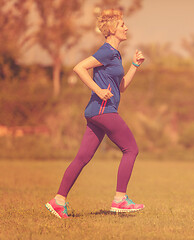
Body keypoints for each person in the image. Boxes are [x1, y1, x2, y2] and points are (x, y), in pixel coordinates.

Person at [45, 8, 145, 219]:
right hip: (103, 110)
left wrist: (135, 66)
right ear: (112, 29)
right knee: (131, 149)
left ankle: (58, 201)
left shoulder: (115, 54)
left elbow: (121, 87)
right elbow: (79, 67)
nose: (126, 27)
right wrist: (98, 90)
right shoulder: (107, 51)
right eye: (122, 25)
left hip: (97, 112)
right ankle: (120, 199)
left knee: (83, 157)